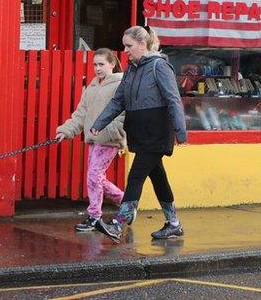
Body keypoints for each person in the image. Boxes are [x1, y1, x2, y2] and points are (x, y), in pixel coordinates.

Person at [90, 25, 187, 241]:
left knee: (136, 175)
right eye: (124, 46)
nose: (125, 50)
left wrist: (180, 132)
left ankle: (118, 223)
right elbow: (119, 100)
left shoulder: (159, 66)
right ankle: (174, 224)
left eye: (129, 46)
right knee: (158, 177)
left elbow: (173, 99)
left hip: (157, 130)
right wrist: (99, 123)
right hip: (139, 130)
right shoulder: (132, 69)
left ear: (143, 44)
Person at [55, 48, 127, 232]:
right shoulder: (92, 87)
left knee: (94, 176)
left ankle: (95, 216)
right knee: (96, 177)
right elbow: (81, 114)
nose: (97, 68)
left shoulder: (121, 85)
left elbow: (125, 113)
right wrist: (66, 130)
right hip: (94, 139)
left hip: (109, 139)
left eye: (102, 64)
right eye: (95, 64)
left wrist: (113, 130)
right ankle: (125, 202)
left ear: (112, 64)